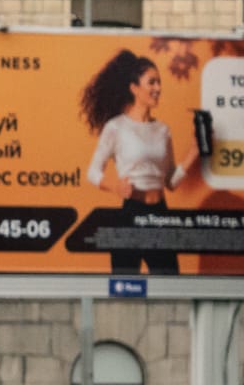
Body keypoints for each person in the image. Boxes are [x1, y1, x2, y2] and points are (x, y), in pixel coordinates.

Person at [79, 49, 193, 274]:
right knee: (125, 285)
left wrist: (193, 153)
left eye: (159, 82)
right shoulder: (116, 127)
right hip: (131, 213)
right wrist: (115, 187)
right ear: (134, 88)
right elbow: (92, 172)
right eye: (152, 82)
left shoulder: (163, 130)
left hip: (160, 215)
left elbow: (170, 182)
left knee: (170, 284)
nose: (158, 88)